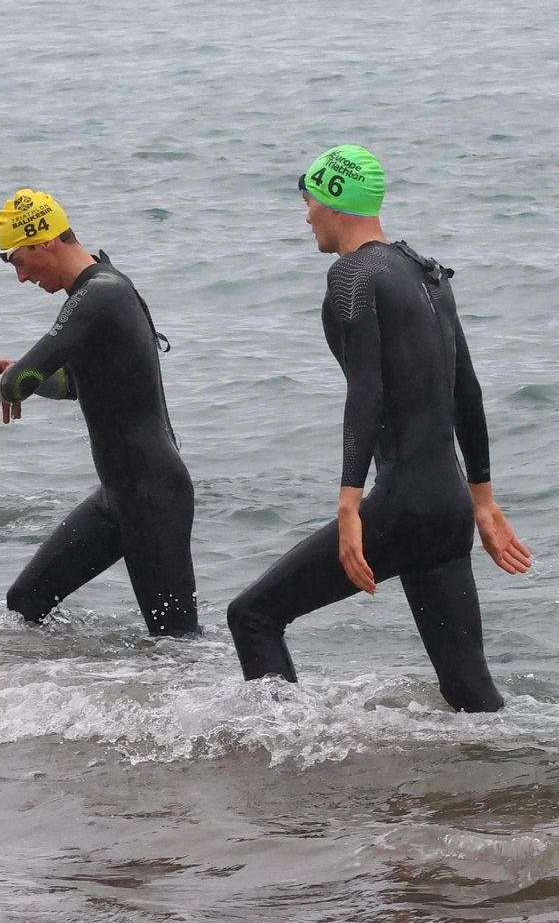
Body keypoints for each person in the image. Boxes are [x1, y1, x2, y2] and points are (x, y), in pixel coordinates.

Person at [226, 145, 532, 712]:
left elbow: (365, 392)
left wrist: (350, 507)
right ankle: (510, 789)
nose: (306, 215)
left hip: (403, 505)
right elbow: (469, 392)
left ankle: (281, 768)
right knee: (470, 694)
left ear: (334, 199)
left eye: (309, 200)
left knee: (252, 616)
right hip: (447, 505)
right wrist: (482, 501)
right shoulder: (428, 273)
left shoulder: (351, 273)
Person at [0, 189, 197, 635]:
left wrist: (6, 379)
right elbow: (74, 384)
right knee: (25, 601)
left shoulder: (100, 294)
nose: (20, 278)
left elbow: (19, 384)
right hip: (119, 495)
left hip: (153, 495)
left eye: (18, 261)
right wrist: (18, 376)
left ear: (45, 240)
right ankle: (70, 688)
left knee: (175, 642)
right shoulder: (100, 292)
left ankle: (244, 706)